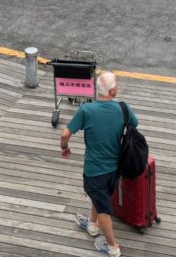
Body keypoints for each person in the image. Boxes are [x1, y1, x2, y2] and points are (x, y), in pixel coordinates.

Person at [60, 71, 138, 257]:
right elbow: (134, 125)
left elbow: (65, 134)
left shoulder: (87, 110)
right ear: (111, 92)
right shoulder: (124, 108)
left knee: (103, 208)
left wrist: (65, 147)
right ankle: (92, 225)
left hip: (94, 171)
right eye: (116, 85)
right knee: (101, 196)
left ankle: (112, 247)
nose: (117, 88)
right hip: (115, 170)